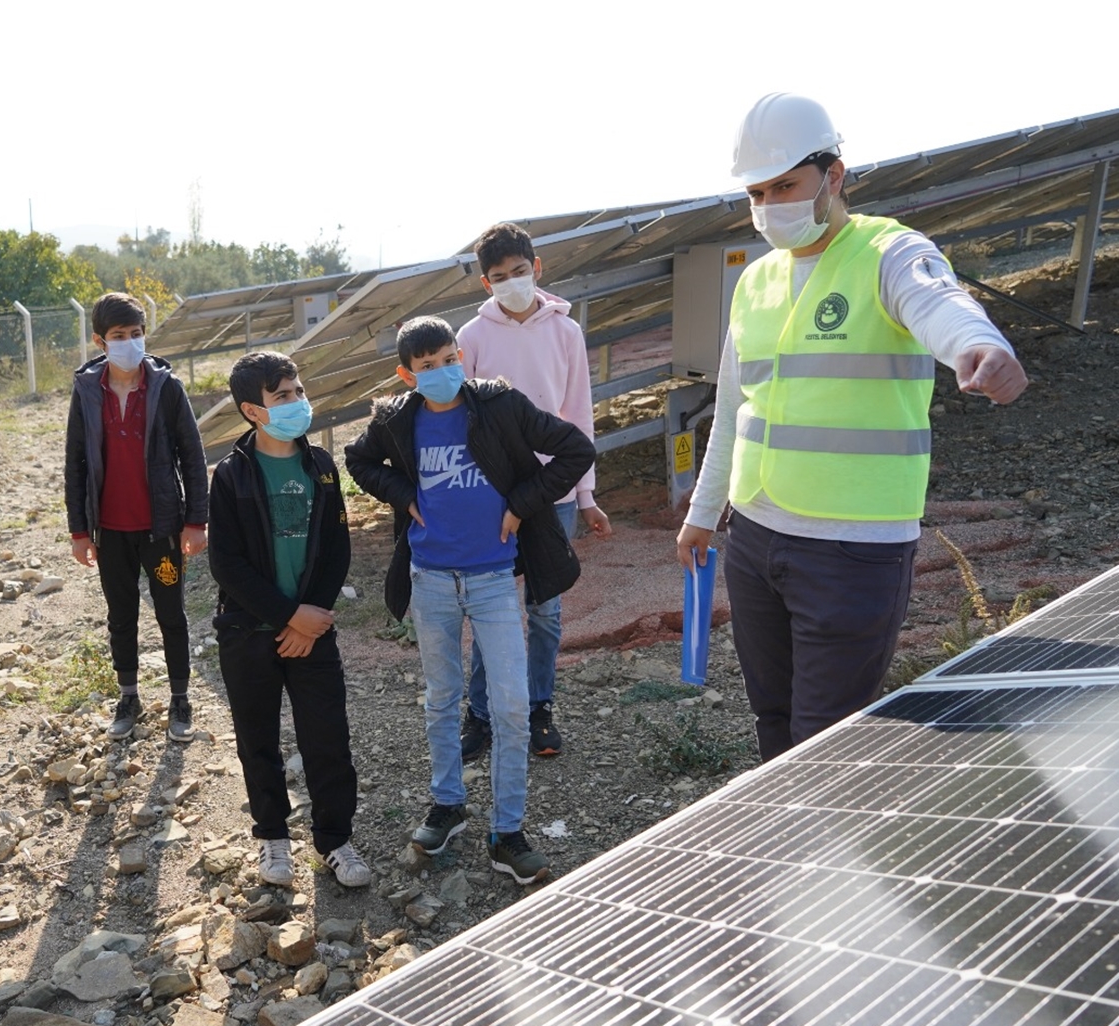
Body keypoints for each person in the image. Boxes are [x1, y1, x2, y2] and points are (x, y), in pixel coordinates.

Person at [675, 93, 1029, 761]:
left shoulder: (889, 251)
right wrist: (704, 510)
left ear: (833, 175)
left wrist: (979, 347)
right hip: (754, 539)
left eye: (786, 185)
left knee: (826, 739)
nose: (770, 203)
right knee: (773, 722)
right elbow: (733, 407)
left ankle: (824, 863)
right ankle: (785, 853)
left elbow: (940, 304)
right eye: (757, 191)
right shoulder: (755, 282)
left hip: (850, 552)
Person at [345, 317, 594, 885]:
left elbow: (574, 448)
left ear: (462, 356)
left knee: (509, 705)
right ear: (406, 374)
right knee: (441, 698)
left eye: (446, 359)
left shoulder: (500, 406)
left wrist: (522, 505)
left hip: (492, 579)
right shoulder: (396, 418)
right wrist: (404, 496)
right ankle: (447, 805)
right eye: (425, 367)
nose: (440, 373)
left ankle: (508, 832)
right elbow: (357, 462)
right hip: (431, 579)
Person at [207, 351, 369, 889]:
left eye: (299, 391)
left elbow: (337, 549)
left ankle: (336, 842)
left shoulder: (321, 467)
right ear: (254, 411)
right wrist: (287, 618)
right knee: (258, 741)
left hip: (313, 630)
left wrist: (311, 619)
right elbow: (226, 565)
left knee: (327, 737)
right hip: (250, 633)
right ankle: (273, 839)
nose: (298, 402)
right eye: (283, 396)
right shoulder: (230, 476)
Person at [457, 222, 613, 761]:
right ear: (485, 284)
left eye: (519, 272)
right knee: (490, 608)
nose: (512, 283)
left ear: (537, 268)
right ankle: (479, 714)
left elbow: (579, 416)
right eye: (499, 277)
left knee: (545, 610)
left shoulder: (566, 331)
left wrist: (586, 494)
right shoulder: (471, 338)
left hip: (555, 491)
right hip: (492, 494)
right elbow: (462, 419)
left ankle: (539, 707)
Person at [65, 292, 209, 744]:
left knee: (171, 614)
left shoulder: (166, 388)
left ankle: (179, 697)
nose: (129, 342)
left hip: (161, 528)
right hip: (110, 530)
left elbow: (192, 454)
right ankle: (128, 697)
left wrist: (195, 521)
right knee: (121, 615)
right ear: (99, 340)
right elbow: (75, 462)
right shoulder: (88, 391)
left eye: (136, 333)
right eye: (119, 336)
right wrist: (78, 531)